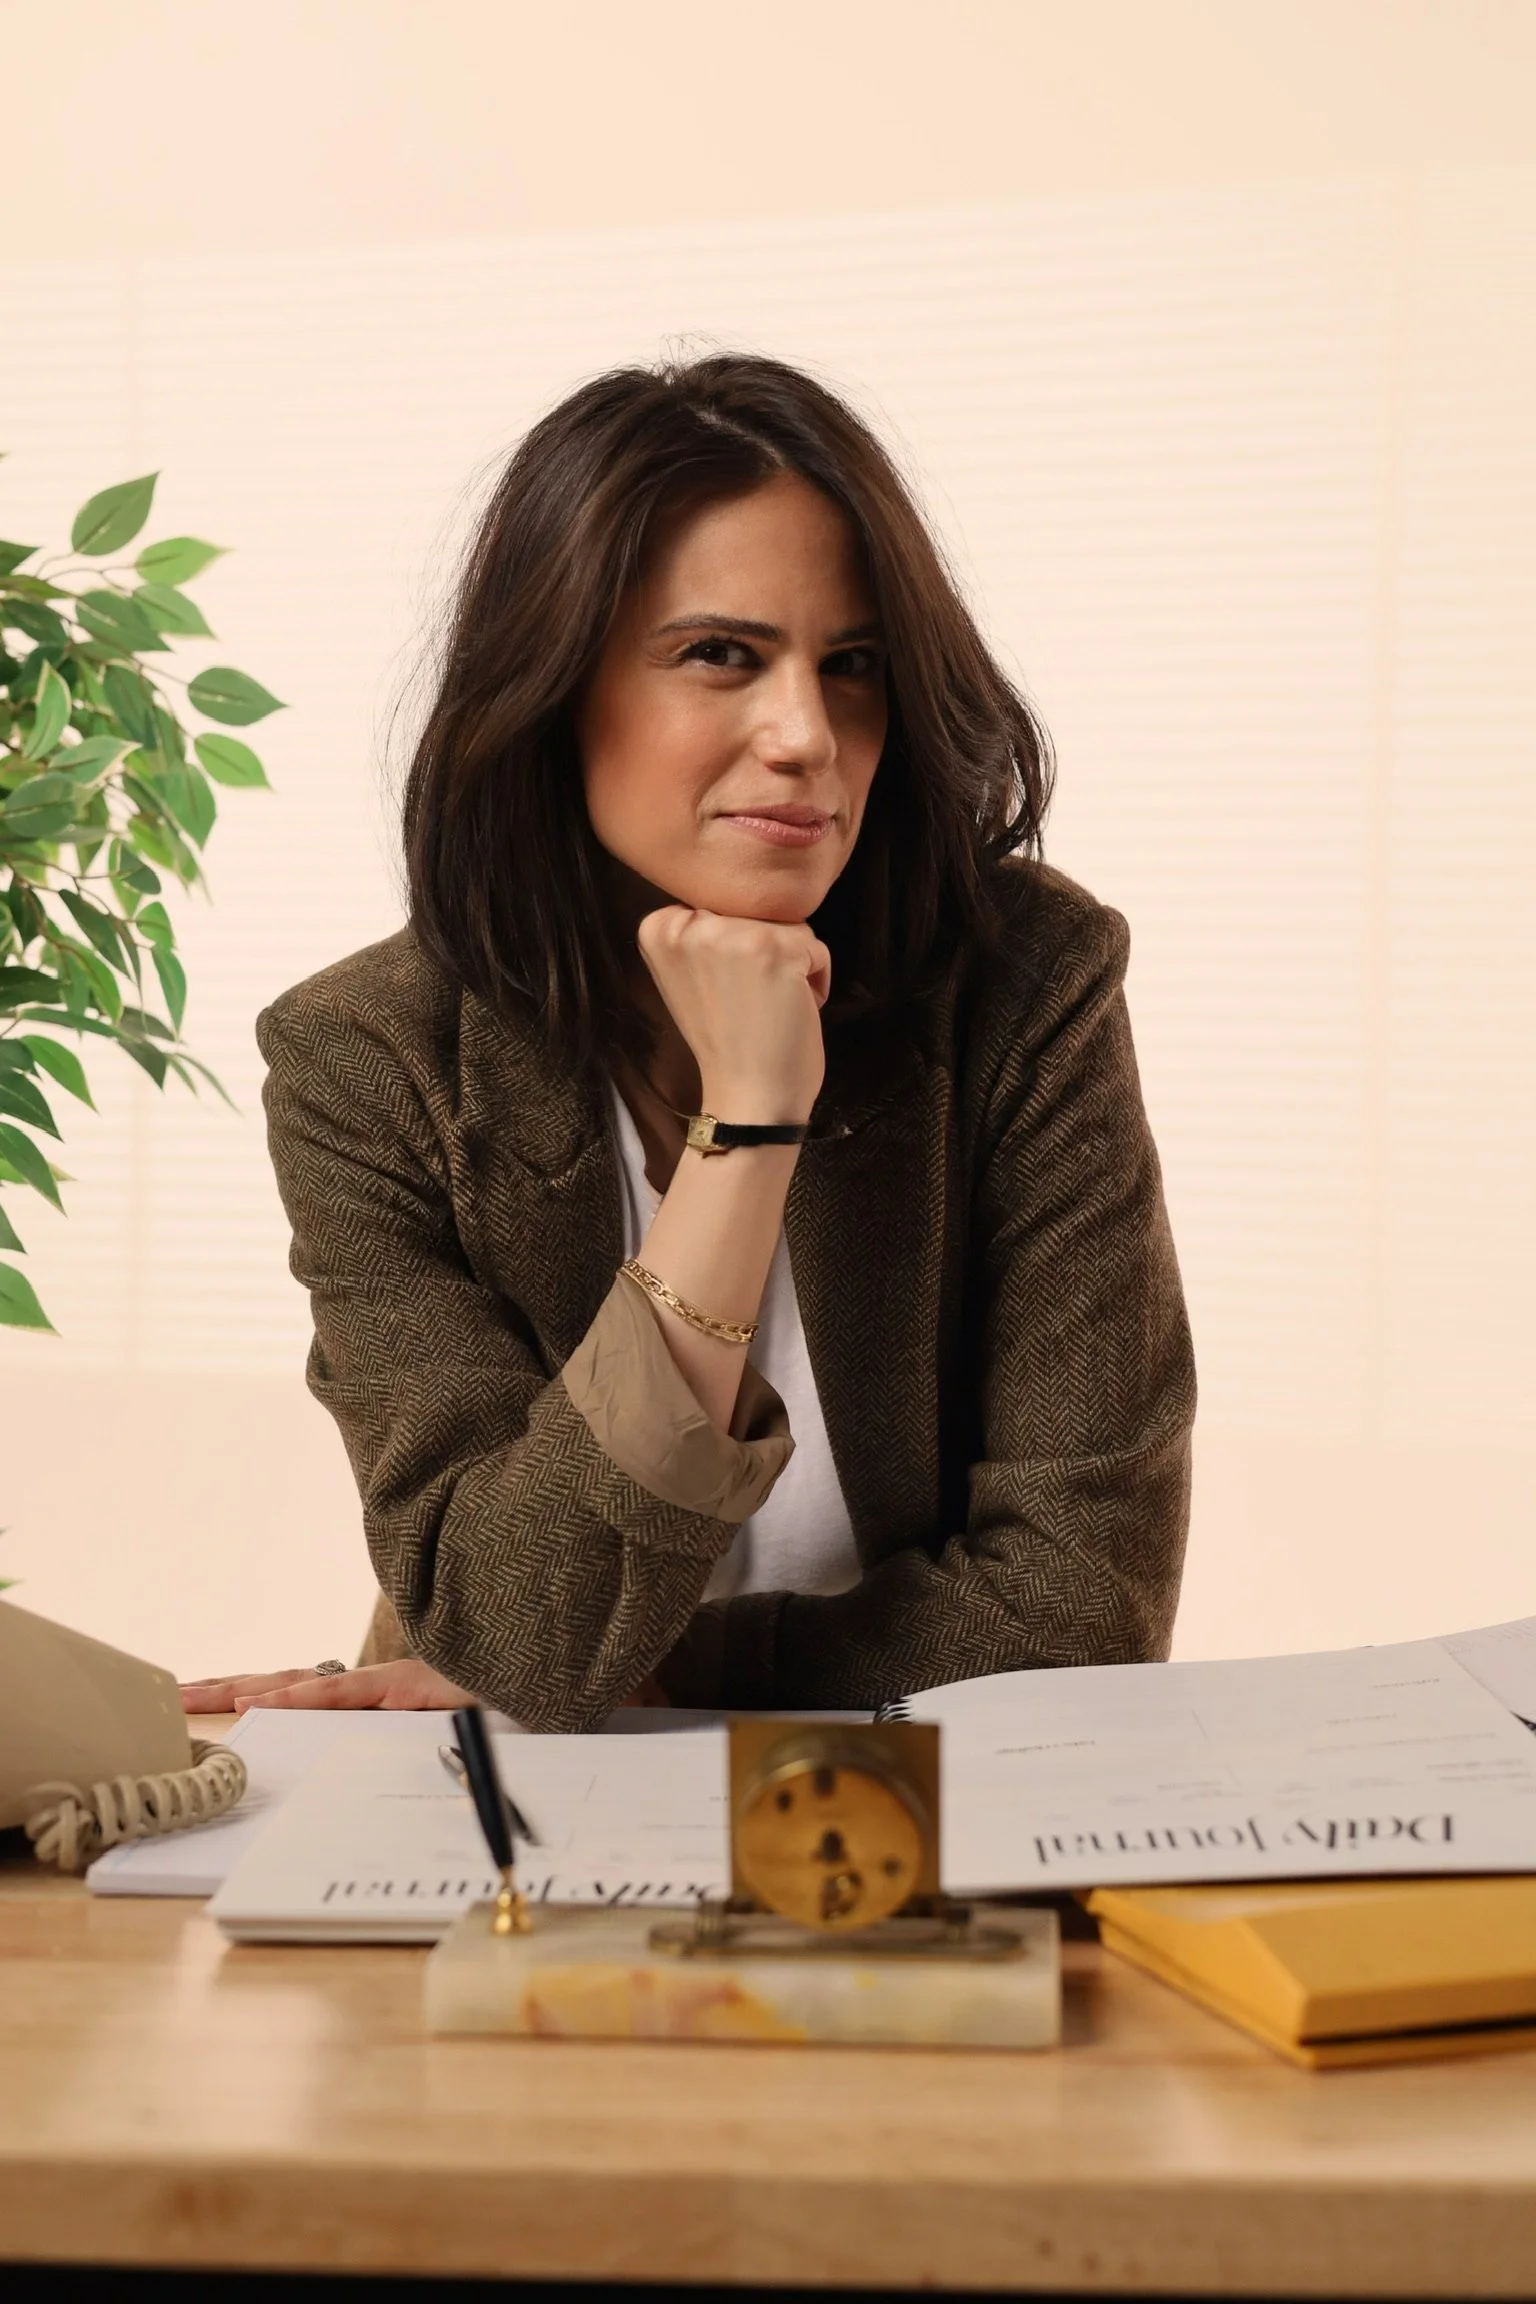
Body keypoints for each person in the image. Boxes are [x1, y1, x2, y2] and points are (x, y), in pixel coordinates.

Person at [182, 352, 1195, 1731]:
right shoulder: (371, 1058)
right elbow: (517, 1625)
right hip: (506, 1803)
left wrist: (682, 1677)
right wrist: (749, 1131)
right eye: (721, 655)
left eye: (854, 669)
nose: (806, 737)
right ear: (552, 691)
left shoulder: (1024, 985)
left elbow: (1086, 1609)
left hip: (922, 1806)